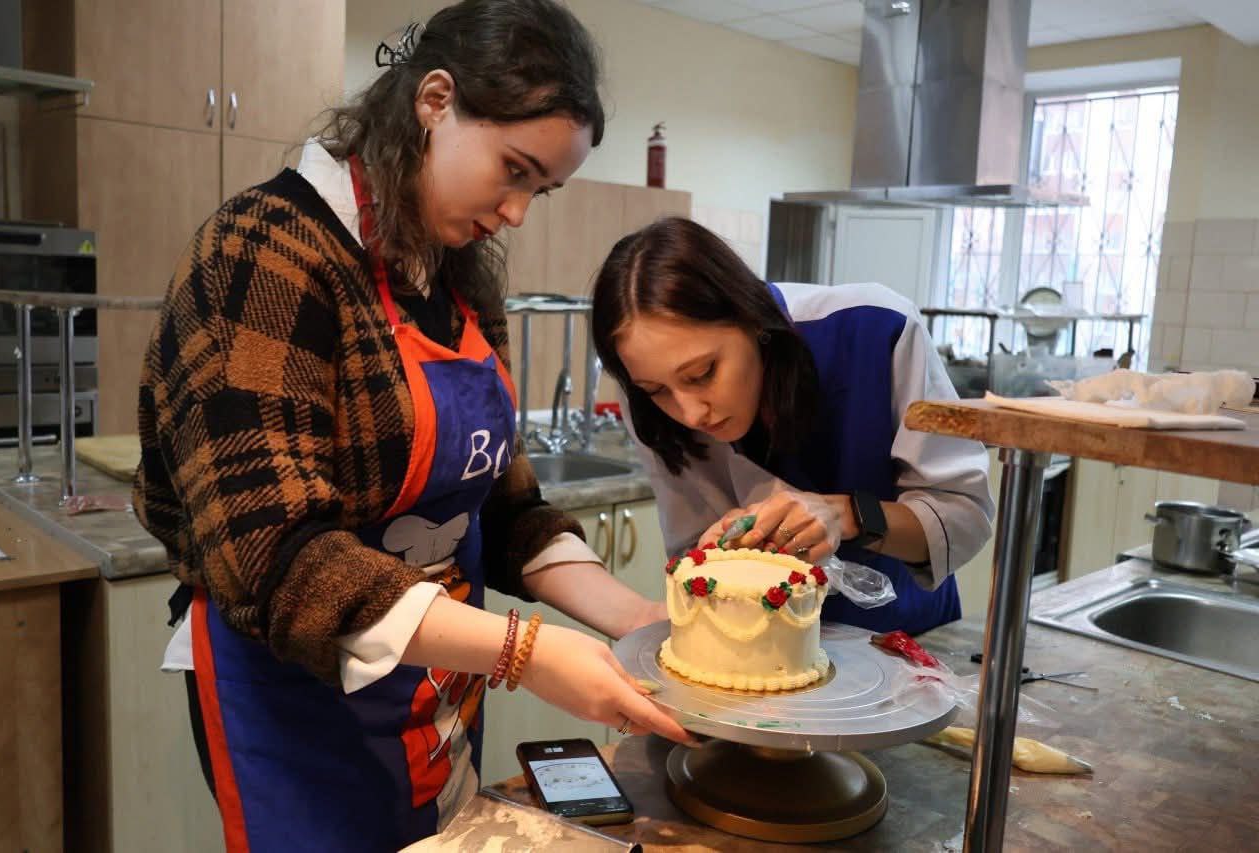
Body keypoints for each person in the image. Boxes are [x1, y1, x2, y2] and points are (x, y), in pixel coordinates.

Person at [133, 3, 688, 850]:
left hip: (436, 691)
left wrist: (641, 620)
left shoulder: (461, 281)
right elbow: (276, 557)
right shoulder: (265, 251)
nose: (517, 212)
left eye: (539, 189)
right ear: (434, 101)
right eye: (513, 170)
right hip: (299, 705)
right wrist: (527, 652)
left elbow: (506, 510)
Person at [591, 217, 994, 635]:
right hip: (762, 645)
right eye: (657, 390)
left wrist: (849, 516)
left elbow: (964, 517)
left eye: (703, 373)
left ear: (751, 318)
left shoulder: (874, 329)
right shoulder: (647, 396)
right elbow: (691, 548)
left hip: (905, 636)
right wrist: (720, 554)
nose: (691, 414)